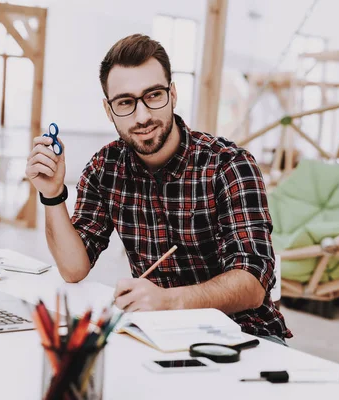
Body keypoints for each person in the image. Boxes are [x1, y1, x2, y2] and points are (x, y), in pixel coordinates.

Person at [25, 34, 291, 344]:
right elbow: (73, 269)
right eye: (125, 102)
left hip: (246, 337)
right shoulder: (104, 169)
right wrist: (52, 194)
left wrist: (168, 301)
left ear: (173, 95)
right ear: (108, 110)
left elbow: (253, 283)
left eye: (153, 96)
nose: (142, 116)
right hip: (155, 335)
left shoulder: (229, 165)